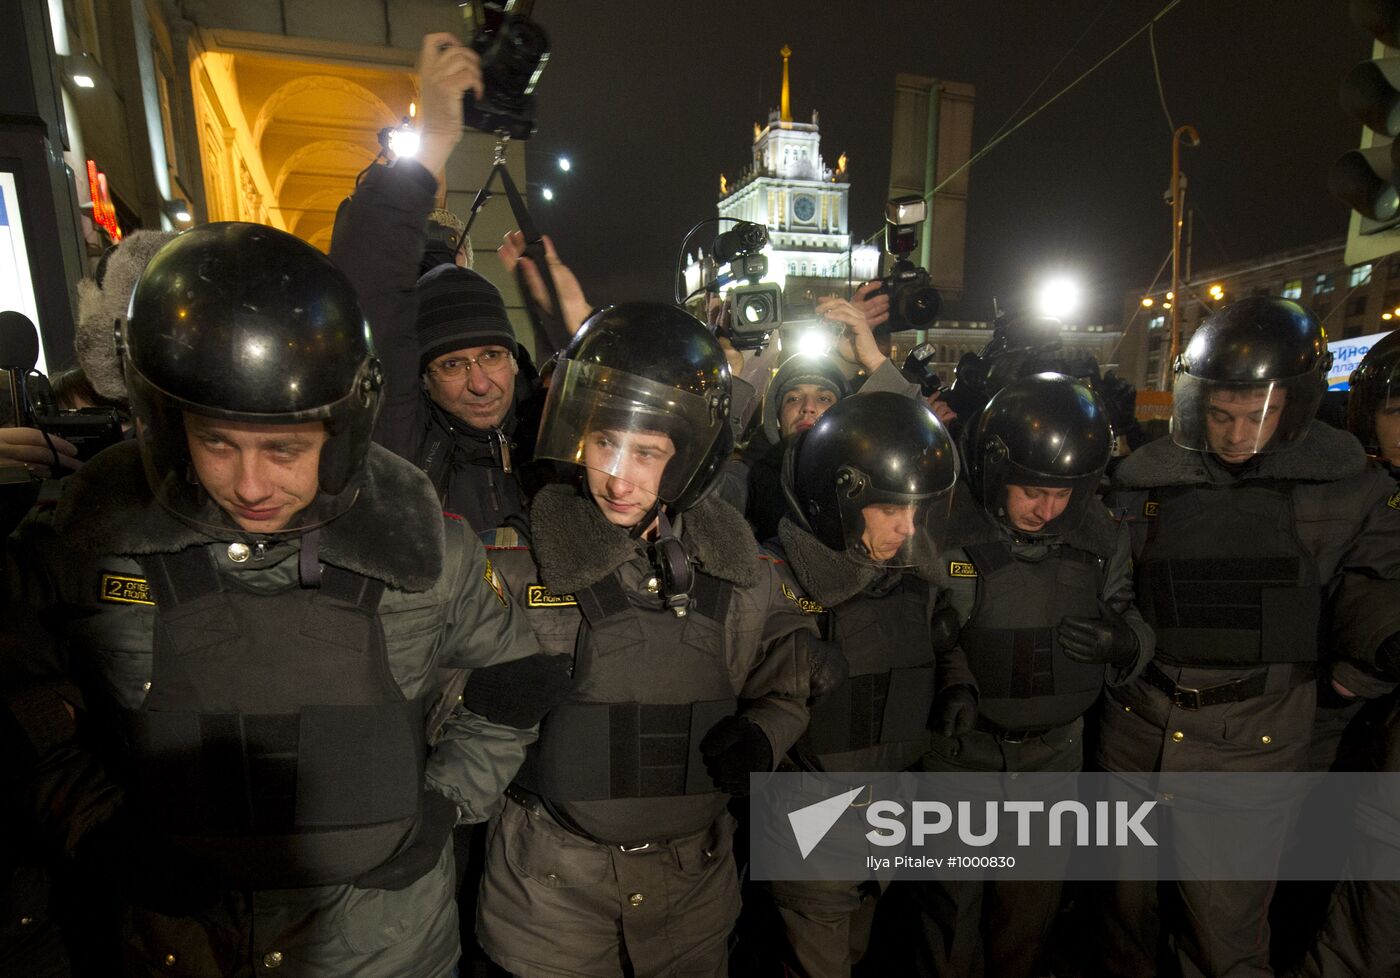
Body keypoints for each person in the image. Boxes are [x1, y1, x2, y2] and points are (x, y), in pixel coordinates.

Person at [0, 221, 563, 976]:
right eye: (219, 444)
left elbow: (513, 682)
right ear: (172, 429)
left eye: (286, 450)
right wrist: (95, 824)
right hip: (181, 947)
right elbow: (22, 699)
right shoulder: (89, 544)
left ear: (340, 431)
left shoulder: (426, 545)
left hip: (384, 947)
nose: (252, 485)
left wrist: (443, 808)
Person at [474, 301, 817, 978]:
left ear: (690, 461)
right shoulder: (514, 567)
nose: (619, 476)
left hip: (693, 894)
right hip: (550, 901)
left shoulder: (739, 573)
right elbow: (431, 693)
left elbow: (791, 667)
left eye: (650, 453)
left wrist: (765, 735)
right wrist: (479, 698)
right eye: (605, 443)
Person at [1100, 297, 1400, 978]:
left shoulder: (1348, 488)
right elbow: (1109, 575)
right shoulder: (1145, 480)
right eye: (1221, 415)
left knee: (1222, 933)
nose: (1238, 436)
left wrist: (1378, 652)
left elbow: (1376, 584)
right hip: (1138, 727)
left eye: (1258, 415)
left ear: (1293, 407)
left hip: (1252, 738)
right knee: (1127, 922)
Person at [906, 372, 1151, 978]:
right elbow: (921, 628)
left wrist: (1127, 641)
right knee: (950, 909)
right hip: (961, 754)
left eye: (1063, 494)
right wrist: (952, 673)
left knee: (1028, 911)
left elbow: (1126, 608)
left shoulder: (1099, 537)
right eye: (1032, 492)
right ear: (994, 473)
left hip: (1052, 757)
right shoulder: (945, 532)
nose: (1047, 510)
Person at [329, 35, 591, 532]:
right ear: (421, 376)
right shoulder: (404, 446)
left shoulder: (552, 436)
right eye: (452, 364)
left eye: (492, 356)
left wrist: (576, 325)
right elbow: (369, 293)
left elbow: (638, 422)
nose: (479, 383)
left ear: (515, 362)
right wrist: (434, 140)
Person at [761, 391, 959, 978]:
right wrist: (796, 662)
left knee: (852, 948)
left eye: (916, 510)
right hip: (811, 814)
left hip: (886, 812)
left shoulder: (910, 575)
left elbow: (939, 651)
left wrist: (957, 685)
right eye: (889, 510)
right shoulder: (775, 575)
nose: (907, 528)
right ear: (839, 501)